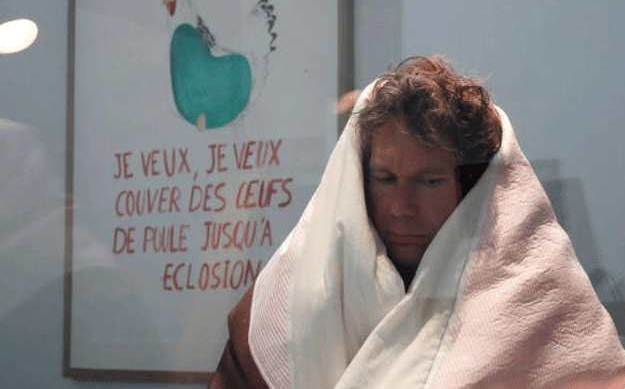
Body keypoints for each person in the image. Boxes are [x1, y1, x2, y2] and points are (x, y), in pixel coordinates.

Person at [208, 56, 625, 389]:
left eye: (430, 181)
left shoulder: (540, 306)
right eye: (385, 179)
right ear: (355, 182)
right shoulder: (282, 308)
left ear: (472, 187)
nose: (402, 207)